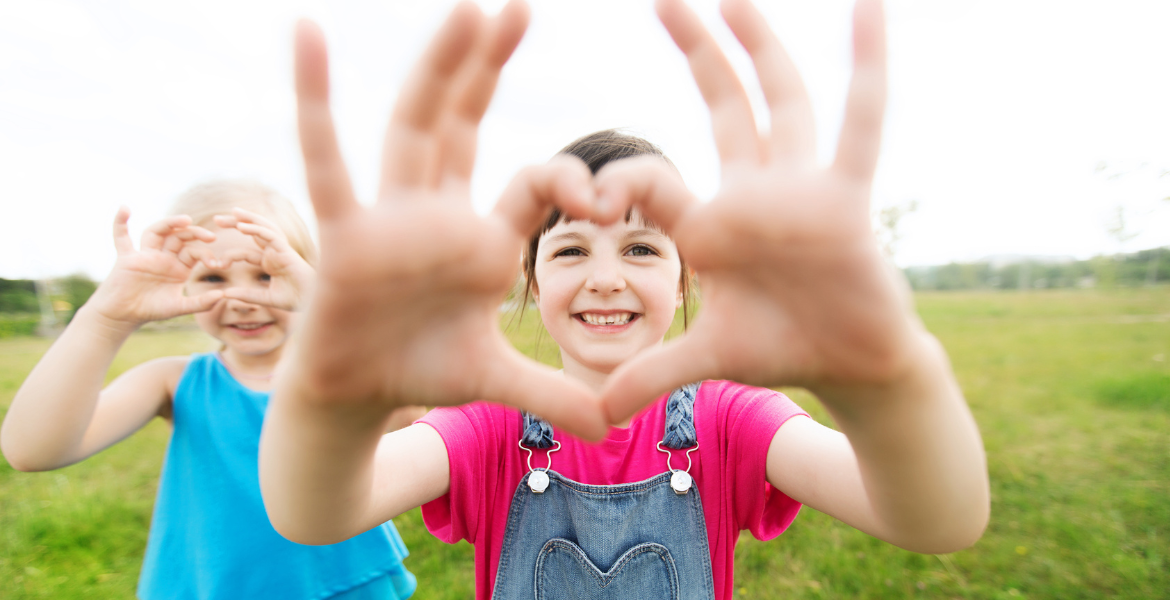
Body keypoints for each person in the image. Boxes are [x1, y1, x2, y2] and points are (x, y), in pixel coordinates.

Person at [258, 0, 990, 599]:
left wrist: (889, 384)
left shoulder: (732, 420)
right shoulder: (485, 429)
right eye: (571, 250)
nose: (605, 277)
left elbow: (940, 522)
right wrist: (330, 402)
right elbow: (316, 515)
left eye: (642, 249)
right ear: (533, 280)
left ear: (685, 279)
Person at [0, 180, 418, 600]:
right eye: (213, 277)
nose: (241, 298)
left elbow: (418, 420)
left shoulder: (348, 376)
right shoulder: (174, 380)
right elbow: (33, 449)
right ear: (185, 285)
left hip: (341, 579)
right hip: (215, 584)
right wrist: (107, 317)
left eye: (266, 274)